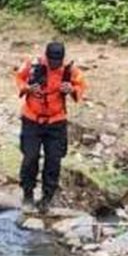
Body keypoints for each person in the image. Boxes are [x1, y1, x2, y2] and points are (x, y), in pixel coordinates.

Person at [14, 42, 87, 213]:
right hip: (32, 119)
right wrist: (27, 88)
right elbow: (18, 78)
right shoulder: (32, 65)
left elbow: (81, 86)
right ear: (46, 56)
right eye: (52, 60)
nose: (54, 64)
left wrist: (71, 89)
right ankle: (28, 194)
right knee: (30, 157)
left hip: (56, 121)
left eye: (58, 61)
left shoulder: (70, 71)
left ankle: (47, 197)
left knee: (54, 160)